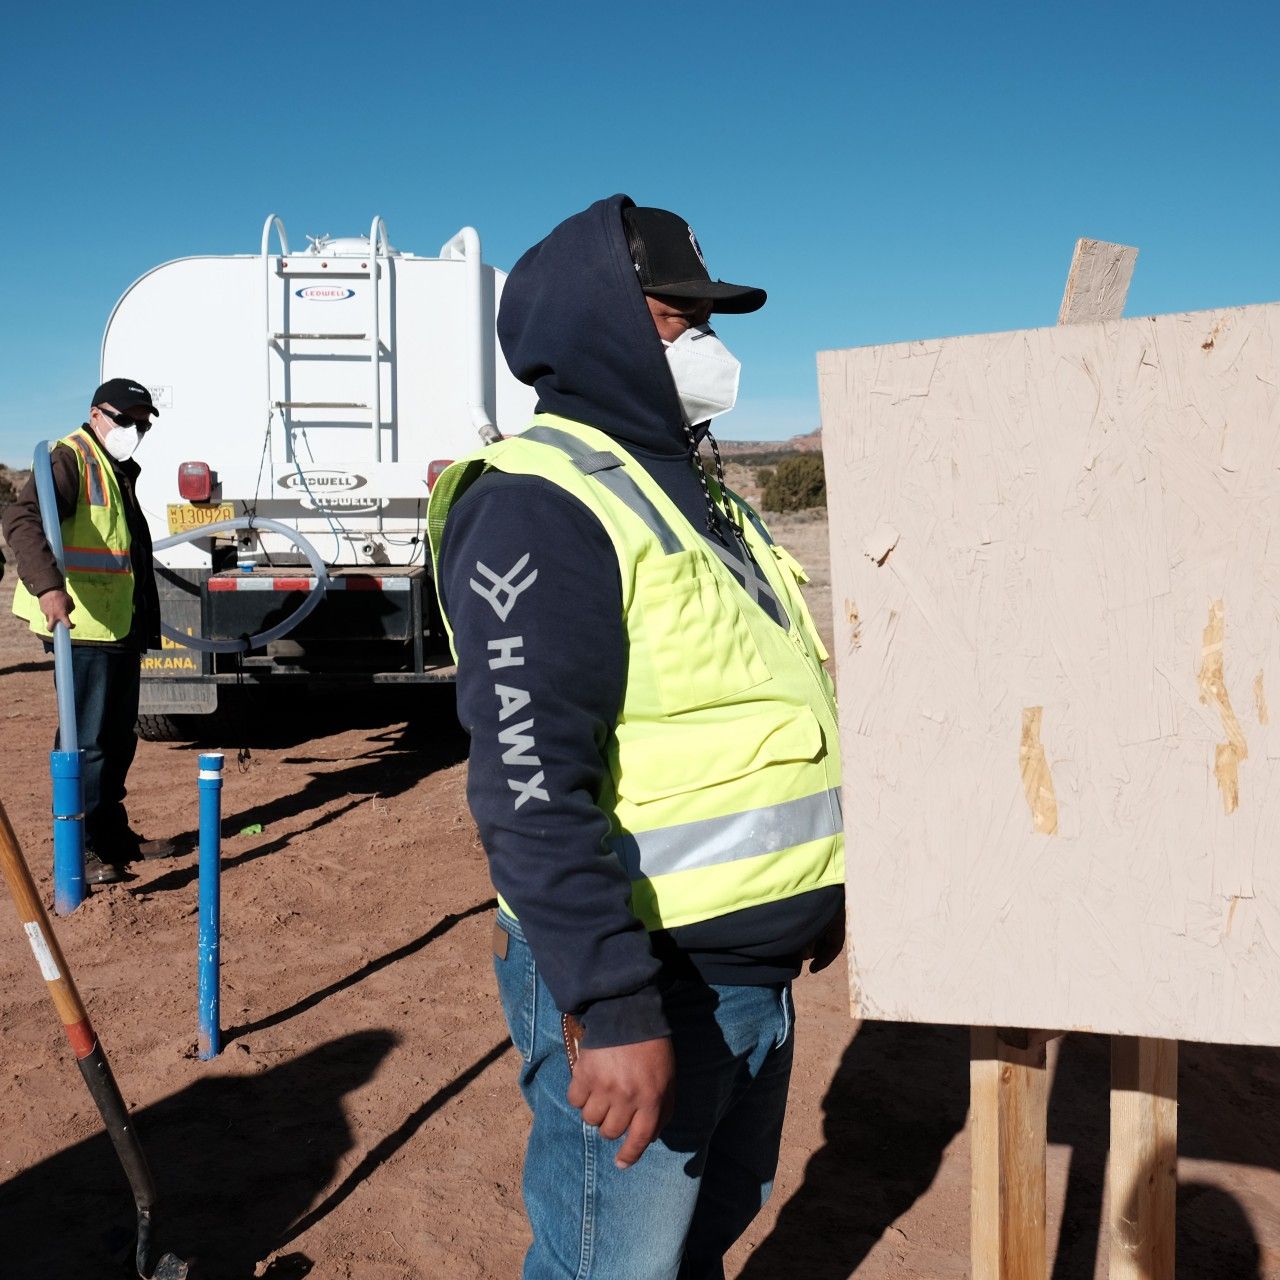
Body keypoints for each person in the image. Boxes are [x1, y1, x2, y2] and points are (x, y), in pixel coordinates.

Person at [426, 196, 845, 1279]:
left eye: (706, 320)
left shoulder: (699, 493)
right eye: (674, 318)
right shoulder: (538, 502)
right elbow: (527, 783)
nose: (702, 344)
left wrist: (819, 885)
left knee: (700, 1244)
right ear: (596, 327)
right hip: (651, 975)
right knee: (613, 1267)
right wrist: (610, 1004)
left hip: (748, 973)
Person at [3, 378, 177, 885]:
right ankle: (79, 850)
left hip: (116, 623)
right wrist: (47, 587)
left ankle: (111, 836)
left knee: (118, 737)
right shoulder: (70, 457)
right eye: (124, 419)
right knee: (87, 742)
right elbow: (22, 520)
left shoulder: (115, 466)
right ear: (96, 413)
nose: (133, 430)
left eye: (141, 424)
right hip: (79, 624)